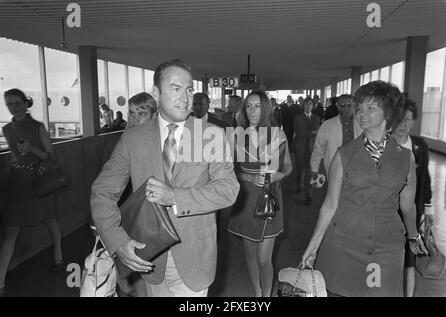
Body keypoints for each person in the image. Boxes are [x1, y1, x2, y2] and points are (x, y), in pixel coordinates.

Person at [91, 59, 239, 297]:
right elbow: (102, 192)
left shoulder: (211, 135)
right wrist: (117, 242)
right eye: (175, 88)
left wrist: (175, 196)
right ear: (156, 93)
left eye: (189, 89)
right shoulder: (133, 138)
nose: (185, 96)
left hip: (195, 259)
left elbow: (228, 189)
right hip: (149, 258)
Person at [301, 81, 428, 297]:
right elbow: (330, 205)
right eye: (360, 107)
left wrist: (414, 236)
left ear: (388, 112)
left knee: (379, 292)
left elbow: (407, 206)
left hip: (386, 247)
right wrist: (312, 247)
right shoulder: (343, 155)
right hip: (344, 242)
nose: (361, 113)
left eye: (371, 108)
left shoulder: (405, 159)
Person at [227, 90, 292, 297]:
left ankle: (268, 295)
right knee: (248, 251)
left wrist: (279, 175)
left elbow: (289, 166)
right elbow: (228, 170)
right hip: (246, 197)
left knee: (264, 258)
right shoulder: (236, 135)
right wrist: (249, 178)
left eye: (257, 106)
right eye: (248, 106)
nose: (252, 111)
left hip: (269, 197)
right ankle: (257, 292)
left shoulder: (278, 134)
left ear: (265, 108)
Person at [0, 89, 63, 295]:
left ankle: (58, 254)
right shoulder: (7, 128)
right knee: (11, 230)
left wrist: (31, 150)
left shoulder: (38, 127)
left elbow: (51, 157)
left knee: (49, 219)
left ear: (26, 104)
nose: (13, 108)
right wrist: (16, 158)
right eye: (9, 104)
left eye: (17, 103)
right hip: (17, 182)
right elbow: (14, 153)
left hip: (38, 180)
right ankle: (0, 281)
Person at [392, 97, 433, 297]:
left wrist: (427, 209)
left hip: (412, 213)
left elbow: (425, 178)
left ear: (414, 121)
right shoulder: (381, 144)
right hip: (387, 213)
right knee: (388, 259)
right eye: (399, 119)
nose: (402, 125)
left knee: (410, 259)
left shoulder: (420, 146)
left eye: (407, 120)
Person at [310, 94, 363, 182]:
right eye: (342, 105)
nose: (346, 108)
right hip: (335, 167)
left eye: (349, 105)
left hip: (357, 168)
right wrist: (314, 169)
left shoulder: (363, 124)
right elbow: (318, 148)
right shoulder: (328, 125)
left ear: (354, 105)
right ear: (338, 107)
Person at [292, 97, 320, 204]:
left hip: (312, 148)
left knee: (310, 172)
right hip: (300, 147)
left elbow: (316, 131)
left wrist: (308, 132)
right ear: (303, 106)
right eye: (306, 104)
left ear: (313, 106)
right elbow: (298, 132)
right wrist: (312, 132)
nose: (308, 106)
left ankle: (309, 195)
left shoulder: (317, 118)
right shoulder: (297, 118)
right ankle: (299, 185)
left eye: (310, 104)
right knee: (300, 169)